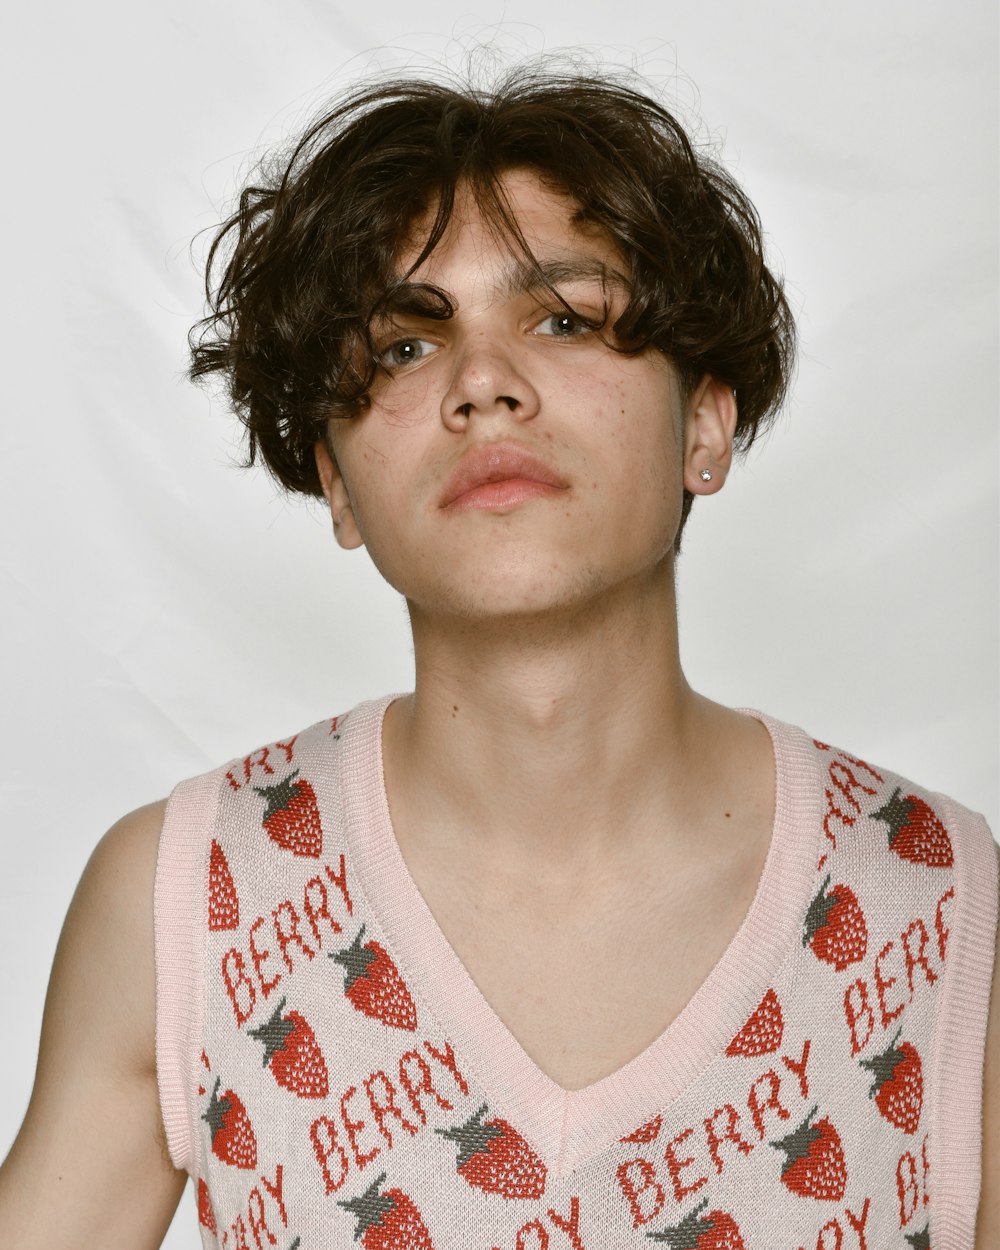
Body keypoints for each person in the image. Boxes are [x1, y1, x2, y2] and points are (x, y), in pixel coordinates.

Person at [0, 61, 996, 1250]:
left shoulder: (936, 900)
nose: (482, 383)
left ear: (706, 424)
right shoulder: (186, 897)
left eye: (565, 317)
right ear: (337, 481)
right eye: (407, 348)